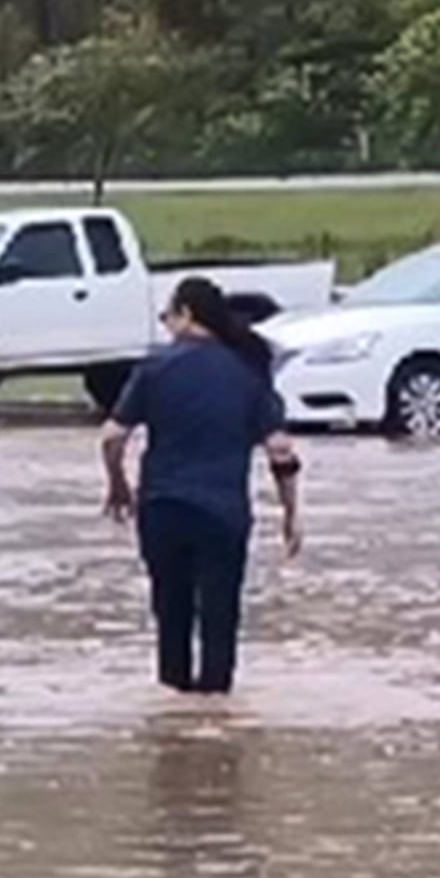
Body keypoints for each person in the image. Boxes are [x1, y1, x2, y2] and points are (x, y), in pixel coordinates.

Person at [101, 277, 302, 695]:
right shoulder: (247, 371)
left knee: (171, 621)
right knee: (219, 622)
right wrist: (291, 514)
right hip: (223, 516)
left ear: (187, 314)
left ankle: (174, 733)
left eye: (167, 317)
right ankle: (215, 732)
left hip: (162, 511)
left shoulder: (154, 369)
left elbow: (112, 437)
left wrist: (118, 484)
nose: (167, 327)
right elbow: (280, 451)